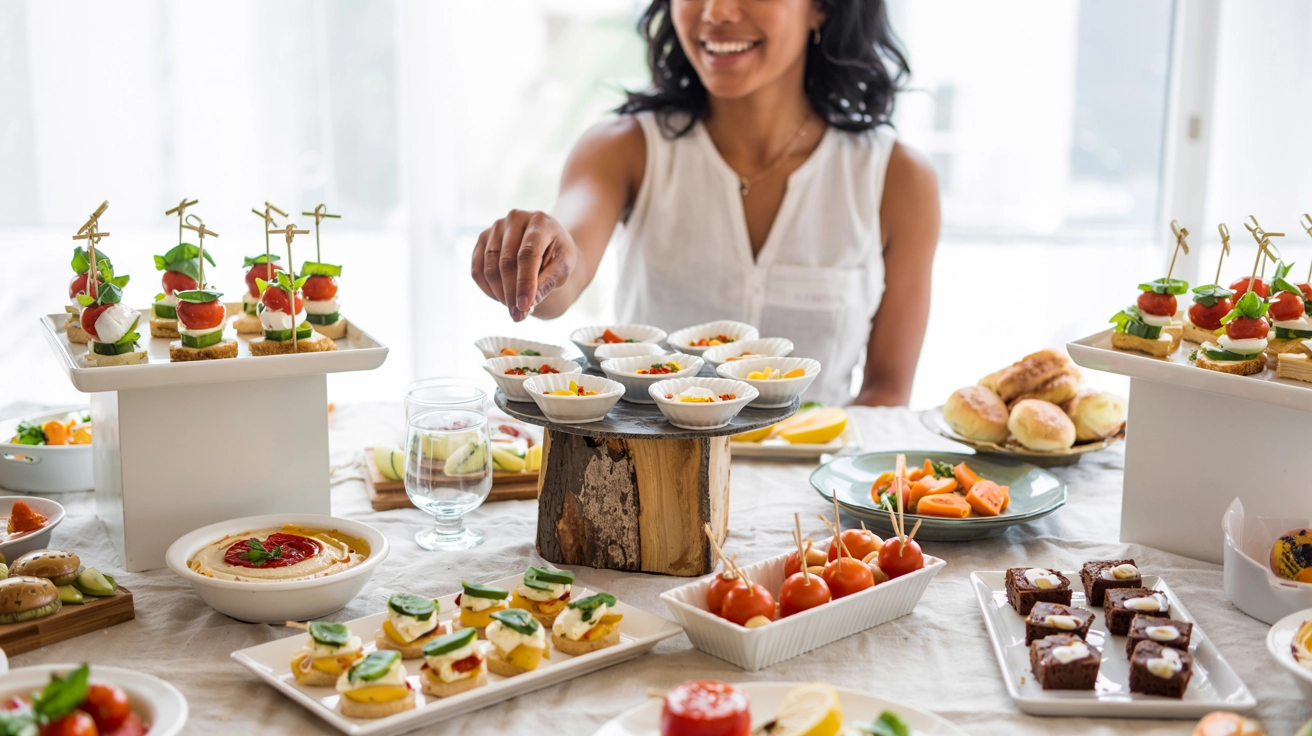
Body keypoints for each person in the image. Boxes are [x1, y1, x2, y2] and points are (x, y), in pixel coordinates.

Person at [471, 0, 939, 407]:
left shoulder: (899, 178)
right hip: (653, 479)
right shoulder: (620, 148)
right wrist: (540, 255)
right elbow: (563, 278)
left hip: (811, 489)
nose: (717, 12)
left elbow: (887, 395)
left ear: (822, 6)